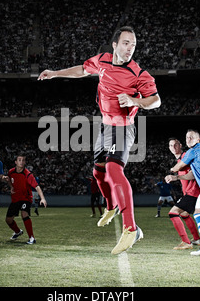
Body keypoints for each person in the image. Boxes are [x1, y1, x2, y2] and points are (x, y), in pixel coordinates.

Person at [38, 26, 161, 254]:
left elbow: (155, 101)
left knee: (114, 170)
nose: (130, 49)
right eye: (125, 43)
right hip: (105, 126)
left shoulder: (138, 73)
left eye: (133, 45)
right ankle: (111, 205)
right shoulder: (102, 60)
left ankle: (131, 229)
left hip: (122, 128)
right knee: (97, 172)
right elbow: (83, 70)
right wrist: (55, 73)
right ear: (114, 45)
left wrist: (135, 101)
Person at [165, 138, 200, 250]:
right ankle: (197, 239)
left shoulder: (186, 156)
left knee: (173, 213)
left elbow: (195, 172)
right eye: (171, 145)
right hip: (190, 193)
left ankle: (186, 242)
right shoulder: (180, 161)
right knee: (184, 214)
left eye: (176, 144)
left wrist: (175, 177)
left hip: (194, 191)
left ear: (180, 145)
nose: (173, 147)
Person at [6, 155, 47, 244]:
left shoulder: (28, 174)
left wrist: (42, 198)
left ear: (25, 162)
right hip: (15, 199)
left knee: (24, 214)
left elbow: (37, 187)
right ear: (16, 162)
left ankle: (32, 238)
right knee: (8, 220)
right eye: (19, 160)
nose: (21, 162)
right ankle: (18, 232)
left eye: (23, 160)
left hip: (26, 198)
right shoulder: (11, 172)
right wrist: (11, 187)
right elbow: (9, 179)